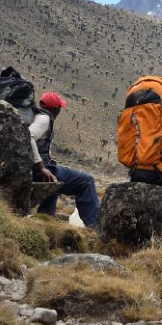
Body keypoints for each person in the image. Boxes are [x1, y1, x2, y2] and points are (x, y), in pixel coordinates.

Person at [31, 91, 101, 227]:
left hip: (37, 170)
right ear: (55, 109)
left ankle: (45, 222)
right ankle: (95, 228)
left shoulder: (36, 116)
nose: (59, 112)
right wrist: (41, 167)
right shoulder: (44, 119)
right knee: (86, 181)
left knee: (54, 183)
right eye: (59, 108)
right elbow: (30, 136)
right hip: (40, 171)